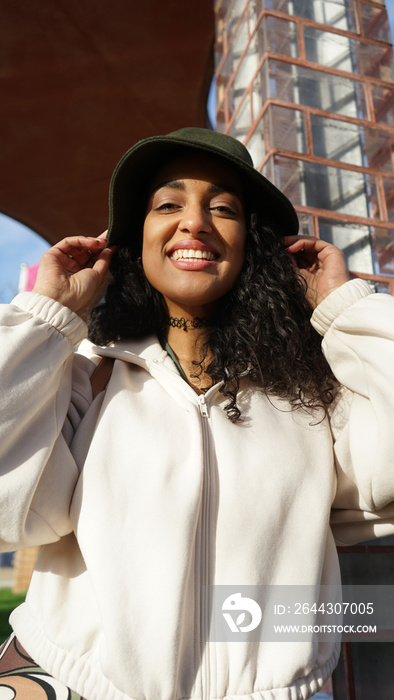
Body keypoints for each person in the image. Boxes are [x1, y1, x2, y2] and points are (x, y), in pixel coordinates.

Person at [1, 127, 394, 700]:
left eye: (223, 208)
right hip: (75, 684)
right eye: (168, 203)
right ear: (135, 241)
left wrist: (342, 307)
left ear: (251, 243)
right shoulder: (87, 374)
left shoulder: (310, 396)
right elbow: (12, 513)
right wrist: (48, 314)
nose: (196, 222)